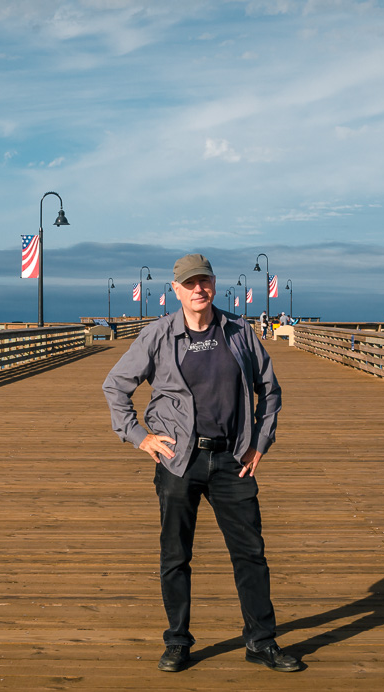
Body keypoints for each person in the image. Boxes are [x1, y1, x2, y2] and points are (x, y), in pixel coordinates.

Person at [102, 253, 302, 674]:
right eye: (189, 283)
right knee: (175, 555)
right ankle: (177, 642)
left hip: (233, 457)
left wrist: (260, 444)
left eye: (204, 281)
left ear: (213, 284)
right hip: (178, 460)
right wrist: (140, 437)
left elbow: (270, 390)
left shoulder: (239, 331)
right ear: (175, 290)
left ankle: (261, 641)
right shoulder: (158, 335)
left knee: (250, 554)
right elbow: (115, 386)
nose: (198, 289)